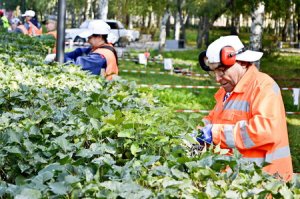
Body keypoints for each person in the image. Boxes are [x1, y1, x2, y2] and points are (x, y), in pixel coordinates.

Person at [197, 35, 293, 181]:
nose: (217, 78)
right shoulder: (228, 91)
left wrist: (214, 133)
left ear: (241, 62)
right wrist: (198, 133)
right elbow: (214, 120)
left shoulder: (263, 86)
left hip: (265, 182)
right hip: (239, 181)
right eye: (214, 72)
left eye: (222, 71)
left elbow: (265, 131)